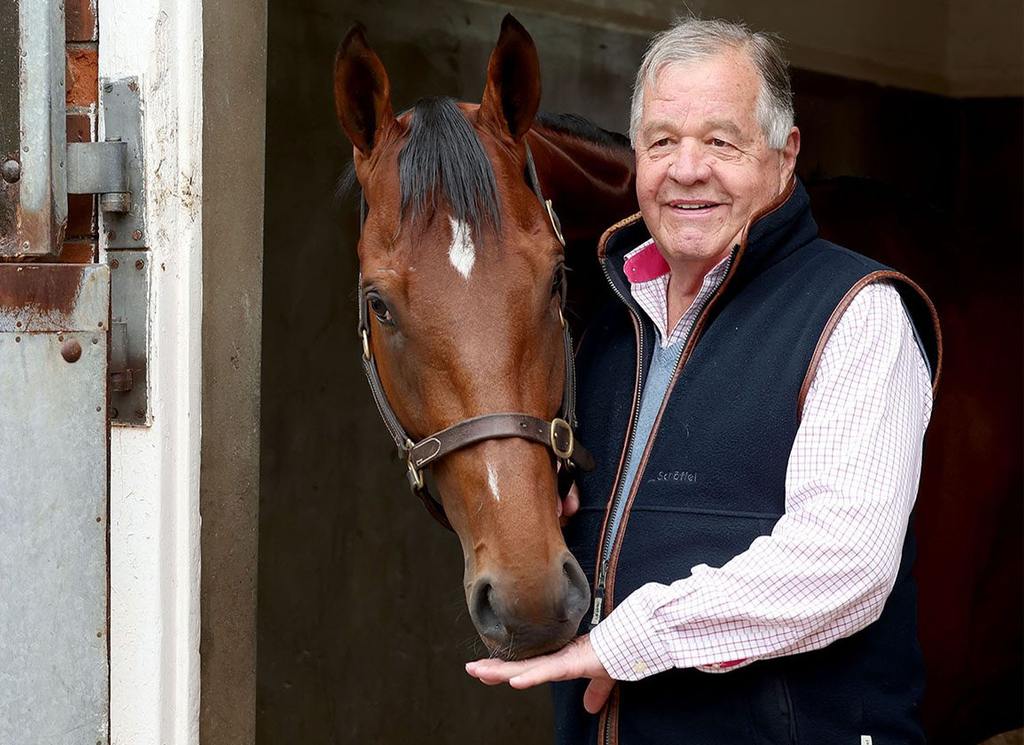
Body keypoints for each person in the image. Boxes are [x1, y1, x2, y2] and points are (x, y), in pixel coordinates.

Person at [466, 16, 940, 745]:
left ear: (785, 157)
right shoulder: (604, 335)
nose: (687, 169)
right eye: (661, 142)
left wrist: (628, 639)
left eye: (721, 141)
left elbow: (846, 563)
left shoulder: (857, 314)